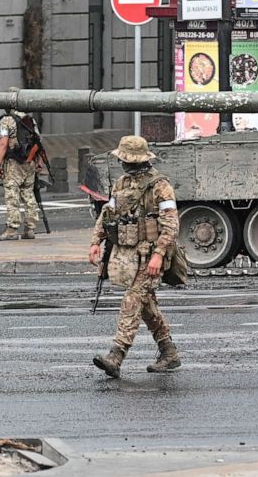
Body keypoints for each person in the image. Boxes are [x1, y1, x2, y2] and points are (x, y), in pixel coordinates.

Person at [89, 135, 182, 379]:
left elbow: (171, 225)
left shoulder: (160, 186)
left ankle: (116, 356)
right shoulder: (121, 183)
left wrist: (159, 255)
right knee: (146, 304)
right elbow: (107, 214)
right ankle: (169, 351)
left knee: (132, 300)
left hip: (151, 255)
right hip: (129, 256)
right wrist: (95, 242)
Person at [0, 108, 39, 241]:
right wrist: (38, 161)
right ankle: (30, 229)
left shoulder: (7, 120)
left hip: (13, 163)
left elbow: (3, 143)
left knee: (12, 194)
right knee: (29, 193)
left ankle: (12, 230)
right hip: (29, 161)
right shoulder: (30, 119)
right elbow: (38, 141)